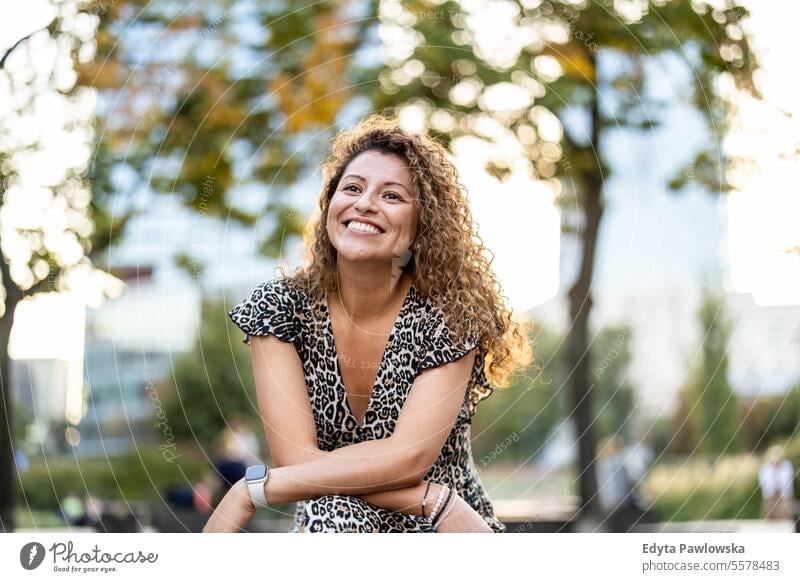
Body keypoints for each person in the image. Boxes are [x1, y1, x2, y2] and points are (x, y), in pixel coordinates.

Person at [203, 115, 532, 533]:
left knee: (334, 510)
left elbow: (408, 458)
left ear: (421, 226)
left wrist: (253, 490)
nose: (364, 203)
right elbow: (296, 463)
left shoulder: (450, 316)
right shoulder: (281, 308)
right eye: (353, 188)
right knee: (336, 512)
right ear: (330, 205)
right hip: (342, 524)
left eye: (391, 195)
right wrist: (428, 495)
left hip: (442, 530)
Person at [758, 445, 795, 520]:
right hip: (770, 494)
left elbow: (787, 481)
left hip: (784, 494)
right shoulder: (765, 467)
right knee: (769, 511)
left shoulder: (786, 466)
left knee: (786, 511)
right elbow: (765, 483)